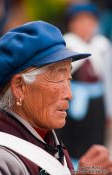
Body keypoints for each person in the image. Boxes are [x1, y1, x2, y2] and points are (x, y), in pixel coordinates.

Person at [0, 21, 112, 175]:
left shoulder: (47, 139)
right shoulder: (1, 159)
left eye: (69, 78)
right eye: (58, 78)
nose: (69, 94)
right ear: (19, 86)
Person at [56, 3, 112, 169]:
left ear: (95, 24)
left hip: (96, 101)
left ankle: (95, 168)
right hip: (73, 100)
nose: (85, 26)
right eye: (79, 21)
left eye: (89, 21)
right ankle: (72, 168)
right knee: (72, 138)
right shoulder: (67, 44)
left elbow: (107, 77)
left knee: (95, 137)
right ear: (72, 24)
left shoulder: (102, 46)